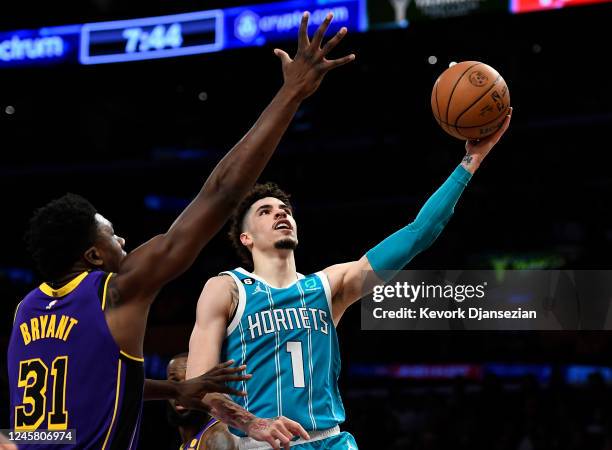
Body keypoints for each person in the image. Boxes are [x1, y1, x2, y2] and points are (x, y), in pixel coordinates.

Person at [8, 11, 354, 449]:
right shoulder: (116, 290)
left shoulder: (26, 311)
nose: (123, 242)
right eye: (111, 236)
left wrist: (174, 390)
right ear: (93, 257)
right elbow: (222, 195)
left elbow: (86, 382)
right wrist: (290, 94)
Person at [186, 107, 513, 450]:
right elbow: (198, 385)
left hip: (331, 441)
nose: (280, 213)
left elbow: (418, 233)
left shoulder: (328, 286)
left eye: (285, 210)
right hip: (262, 444)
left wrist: (470, 162)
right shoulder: (226, 288)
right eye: (265, 212)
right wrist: (252, 423)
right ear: (246, 238)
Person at [167, 353, 237, 450]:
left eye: (190, 382)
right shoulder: (189, 440)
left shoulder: (218, 437)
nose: (183, 391)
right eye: (174, 381)